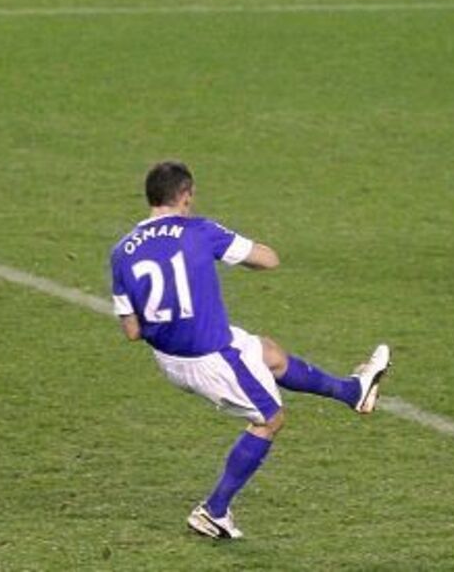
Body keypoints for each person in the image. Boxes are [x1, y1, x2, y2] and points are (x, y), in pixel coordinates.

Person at [109, 161, 390, 539]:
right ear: (186, 195)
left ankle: (353, 391)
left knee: (268, 353)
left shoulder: (122, 251)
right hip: (210, 356)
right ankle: (214, 511)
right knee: (270, 419)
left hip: (170, 357)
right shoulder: (200, 231)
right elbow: (268, 260)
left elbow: (131, 331)